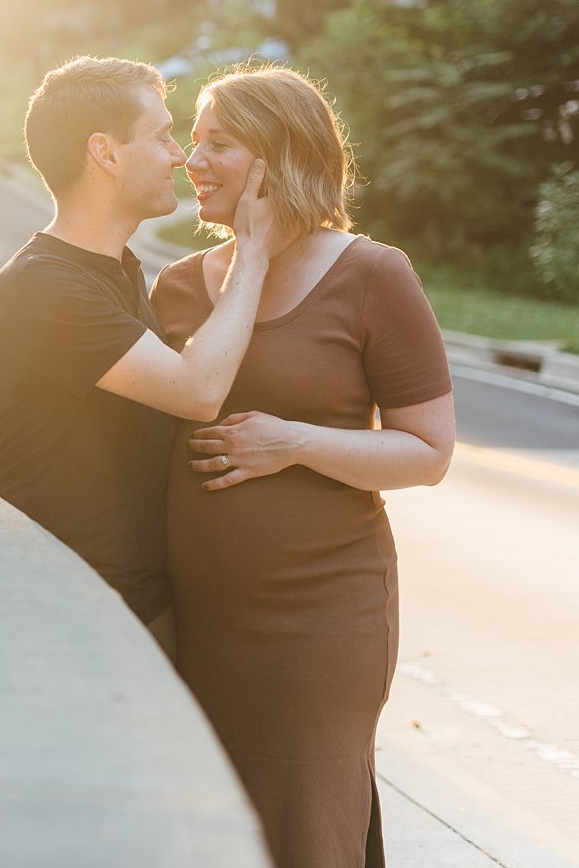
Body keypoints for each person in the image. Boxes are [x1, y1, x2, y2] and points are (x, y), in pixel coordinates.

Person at [152, 64, 455, 868]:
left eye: (219, 142)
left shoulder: (372, 275)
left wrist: (292, 441)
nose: (193, 160)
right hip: (197, 618)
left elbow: (429, 451)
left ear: (277, 157)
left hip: (323, 614)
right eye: (191, 141)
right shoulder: (179, 286)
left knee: (309, 824)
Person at [0, 55, 291, 649]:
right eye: (162, 136)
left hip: (125, 601)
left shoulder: (116, 270)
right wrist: (252, 253)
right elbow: (196, 391)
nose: (180, 157)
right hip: (75, 611)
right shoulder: (45, 284)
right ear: (106, 153)